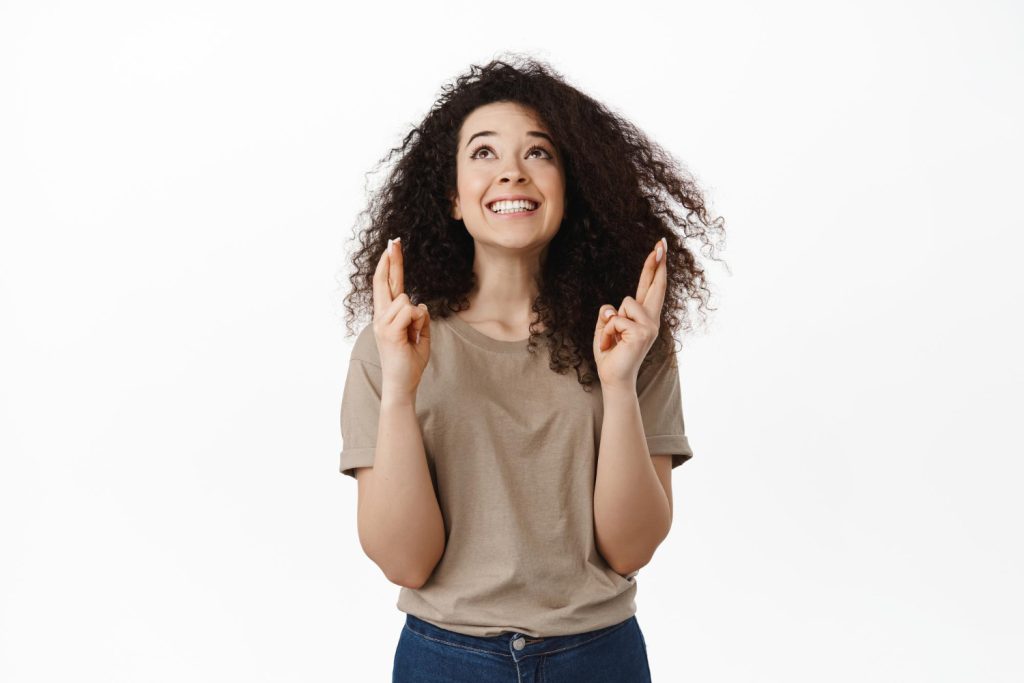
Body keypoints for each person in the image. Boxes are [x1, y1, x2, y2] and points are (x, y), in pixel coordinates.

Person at [338, 54, 726, 682]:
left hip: (598, 656)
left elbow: (631, 549)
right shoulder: (392, 346)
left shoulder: (629, 339)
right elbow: (406, 564)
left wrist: (620, 381)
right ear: (453, 197)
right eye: (484, 154)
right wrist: (400, 394)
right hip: (446, 659)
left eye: (539, 153)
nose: (512, 172)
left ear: (570, 189)